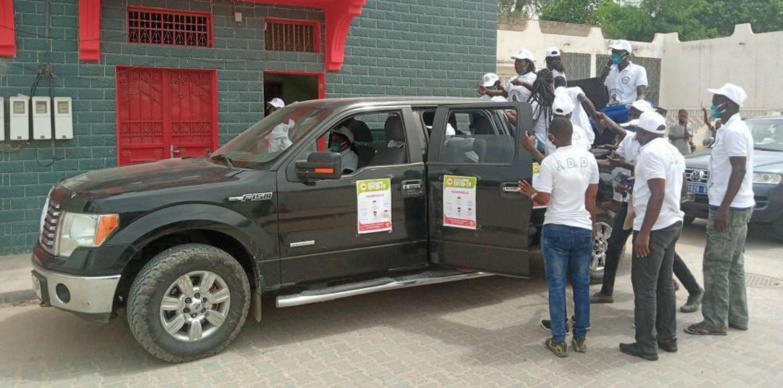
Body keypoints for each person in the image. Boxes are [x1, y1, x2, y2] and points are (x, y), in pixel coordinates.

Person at [592, 103, 703, 313]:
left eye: (636, 116)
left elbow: (658, 186)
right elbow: (625, 165)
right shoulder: (632, 140)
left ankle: (692, 289)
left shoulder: (656, 147)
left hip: (652, 208)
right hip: (634, 199)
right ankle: (607, 291)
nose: (633, 120)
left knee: (656, 255)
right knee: (615, 244)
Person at [518, 117, 599, 358]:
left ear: (552, 137)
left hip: (556, 230)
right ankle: (580, 339)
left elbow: (544, 199)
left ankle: (558, 341)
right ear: (571, 134)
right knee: (582, 285)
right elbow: (591, 198)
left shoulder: (551, 162)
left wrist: (531, 194)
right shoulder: (589, 158)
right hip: (582, 228)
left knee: (556, 285)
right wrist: (592, 226)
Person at [685, 83, 754, 336]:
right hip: (738, 205)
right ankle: (738, 316)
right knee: (734, 264)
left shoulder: (735, 131)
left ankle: (714, 320)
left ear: (729, 104)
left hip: (730, 208)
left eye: (717, 100)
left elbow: (739, 170)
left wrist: (723, 208)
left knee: (715, 264)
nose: (713, 104)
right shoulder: (730, 128)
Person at [619, 110, 686, 361]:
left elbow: (657, 193)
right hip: (672, 223)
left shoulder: (649, 153)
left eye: (637, 130)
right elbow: (679, 187)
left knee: (645, 288)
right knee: (664, 285)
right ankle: (668, 338)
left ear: (645, 132)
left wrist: (644, 232)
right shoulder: (673, 151)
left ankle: (646, 344)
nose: (635, 134)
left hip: (654, 227)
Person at [598, 40, 648, 125]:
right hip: (611, 109)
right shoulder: (610, 70)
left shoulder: (638, 70)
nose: (614, 54)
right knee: (592, 122)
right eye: (613, 51)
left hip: (626, 108)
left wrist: (636, 109)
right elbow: (601, 90)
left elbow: (641, 94)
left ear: (626, 54)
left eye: (618, 52)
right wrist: (603, 75)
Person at [554, 78, 598, 148]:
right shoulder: (574, 90)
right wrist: (596, 120)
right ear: (566, 84)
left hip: (565, 142)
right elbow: (585, 100)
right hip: (584, 137)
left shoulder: (552, 96)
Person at [527, 69, 556, 155]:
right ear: (551, 84)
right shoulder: (555, 100)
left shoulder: (535, 102)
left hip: (540, 143)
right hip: (553, 143)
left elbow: (528, 126)